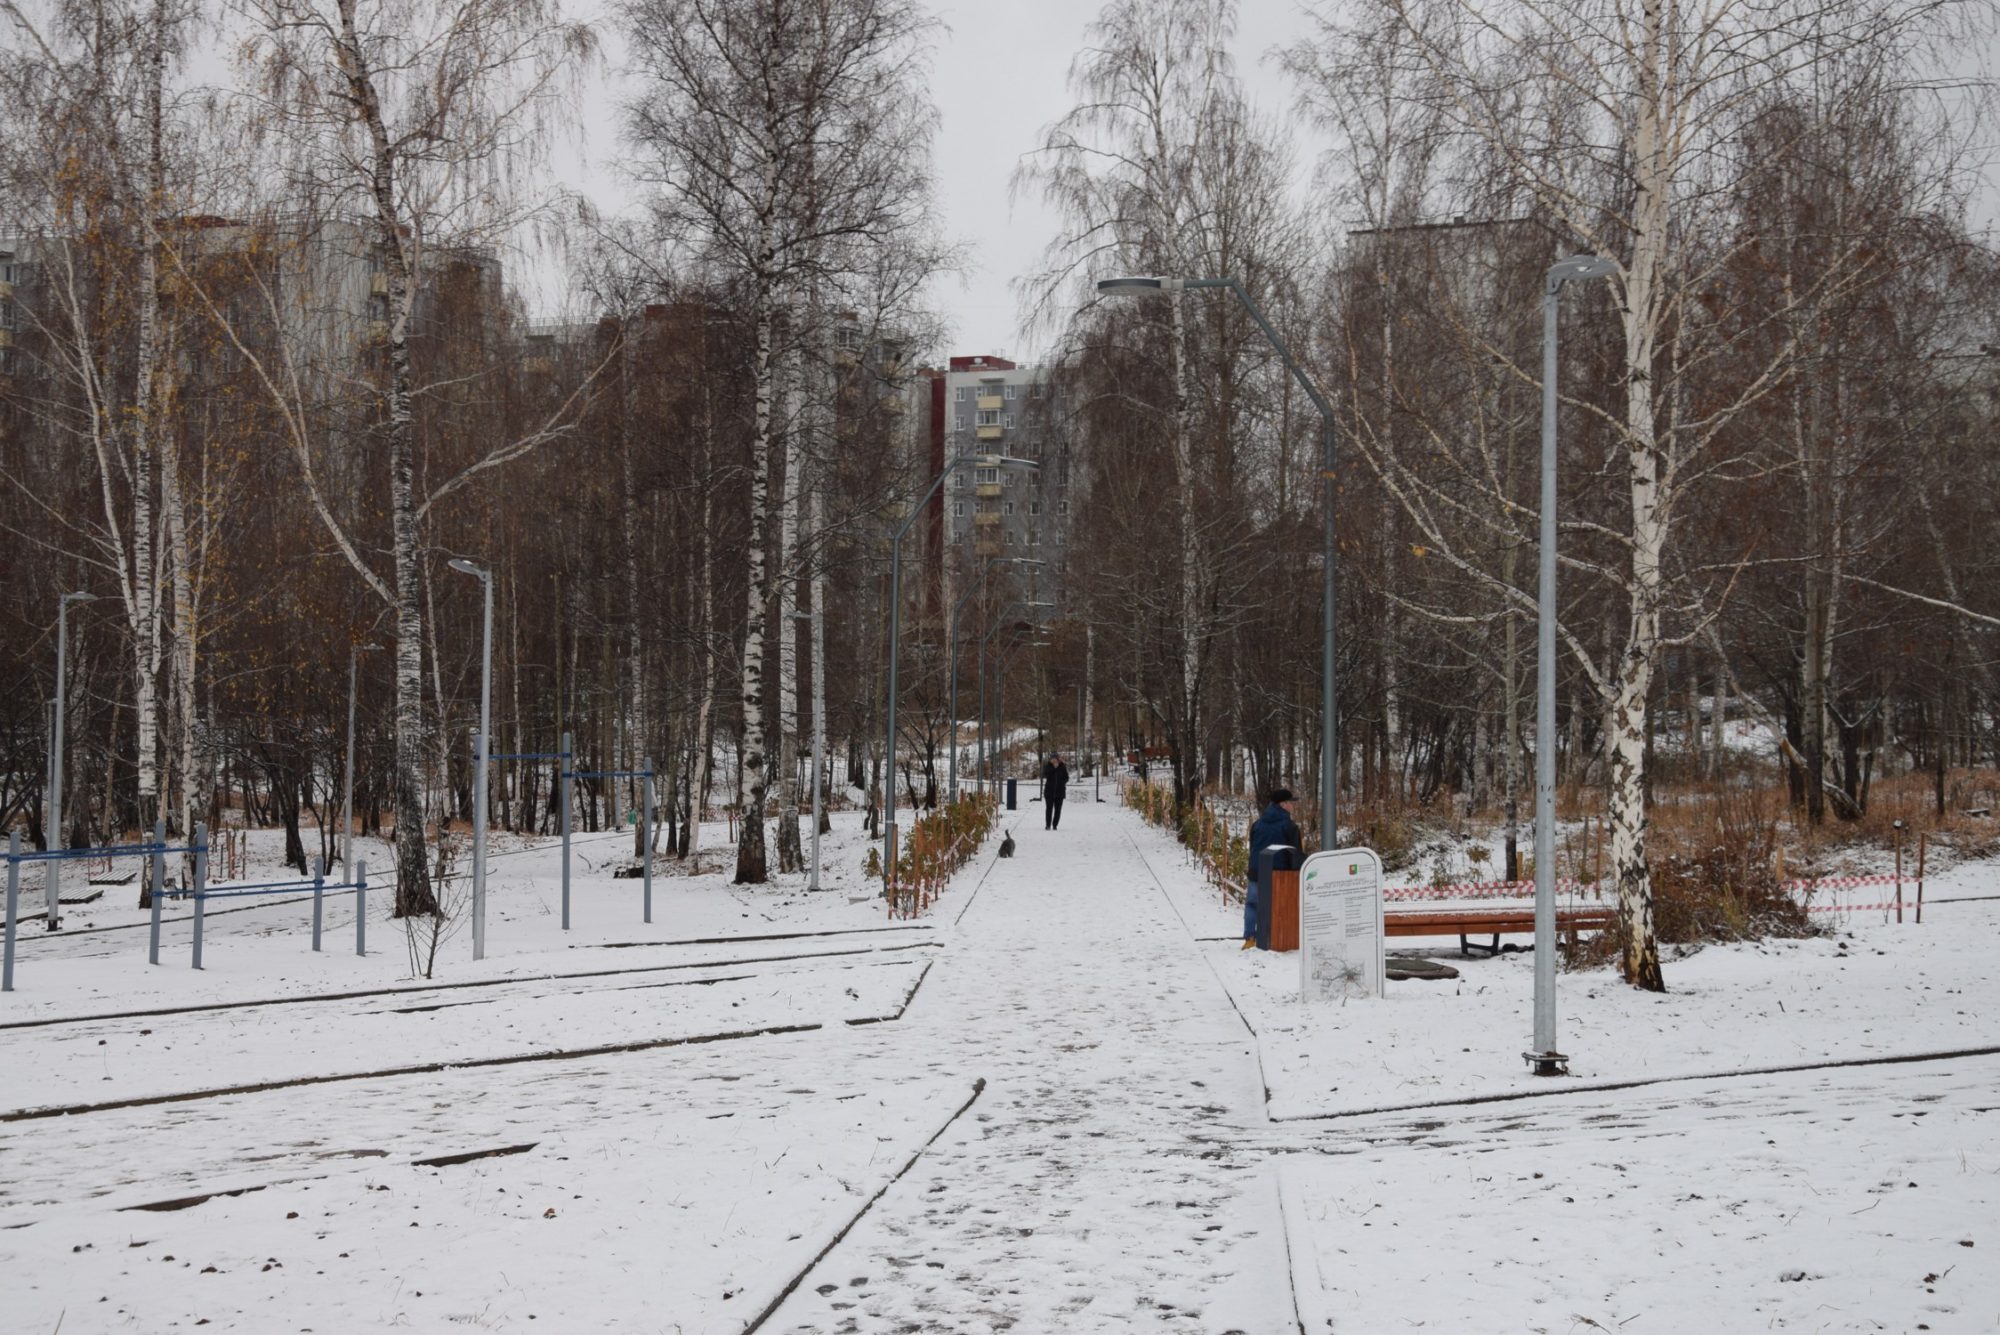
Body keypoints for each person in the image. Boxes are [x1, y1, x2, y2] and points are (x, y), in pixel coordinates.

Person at [1244, 787, 1301, 949]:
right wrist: (1296, 875)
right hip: (1279, 875)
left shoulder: (1257, 824)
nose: (1293, 806)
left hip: (1256, 871)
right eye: (1291, 803)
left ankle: (1250, 938)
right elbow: (1294, 853)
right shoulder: (1289, 826)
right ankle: (1273, 939)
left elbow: (1252, 848)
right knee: (1277, 906)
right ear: (1283, 804)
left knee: (1252, 904)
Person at [1042, 753, 1070, 830]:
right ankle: (1048, 825)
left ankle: (1055, 825)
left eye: (1055, 759)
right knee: (1049, 809)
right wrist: (1054, 768)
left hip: (1060, 792)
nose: (1054, 760)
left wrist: (1062, 782)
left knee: (1058, 810)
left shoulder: (1062, 766)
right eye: (1052, 759)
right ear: (1050, 760)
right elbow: (1045, 774)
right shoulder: (1048, 766)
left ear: (1058, 759)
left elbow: (1066, 777)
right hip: (1049, 792)